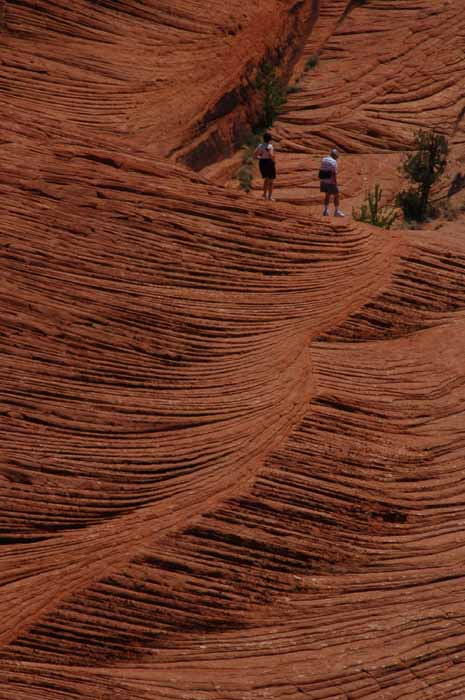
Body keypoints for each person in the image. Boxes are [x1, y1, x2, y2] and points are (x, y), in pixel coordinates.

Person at [319, 148, 344, 216]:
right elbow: (334, 173)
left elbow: (322, 169)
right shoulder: (334, 162)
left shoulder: (324, 159)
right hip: (331, 181)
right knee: (336, 195)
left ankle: (325, 211)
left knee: (327, 195)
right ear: (335, 155)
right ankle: (336, 212)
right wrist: (335, 183)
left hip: (323, 180)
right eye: (337, 156)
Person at [254, 132, 276, 201]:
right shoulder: (270, 146)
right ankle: (269, 197)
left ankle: (264, 194)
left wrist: (260, 158)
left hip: (262, 163)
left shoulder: (260, 146)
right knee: (271, 180)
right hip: (269, 163)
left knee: (266, 179)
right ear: (270, 139)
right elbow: (271, 156)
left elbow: (254, 155)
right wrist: (273, 160)